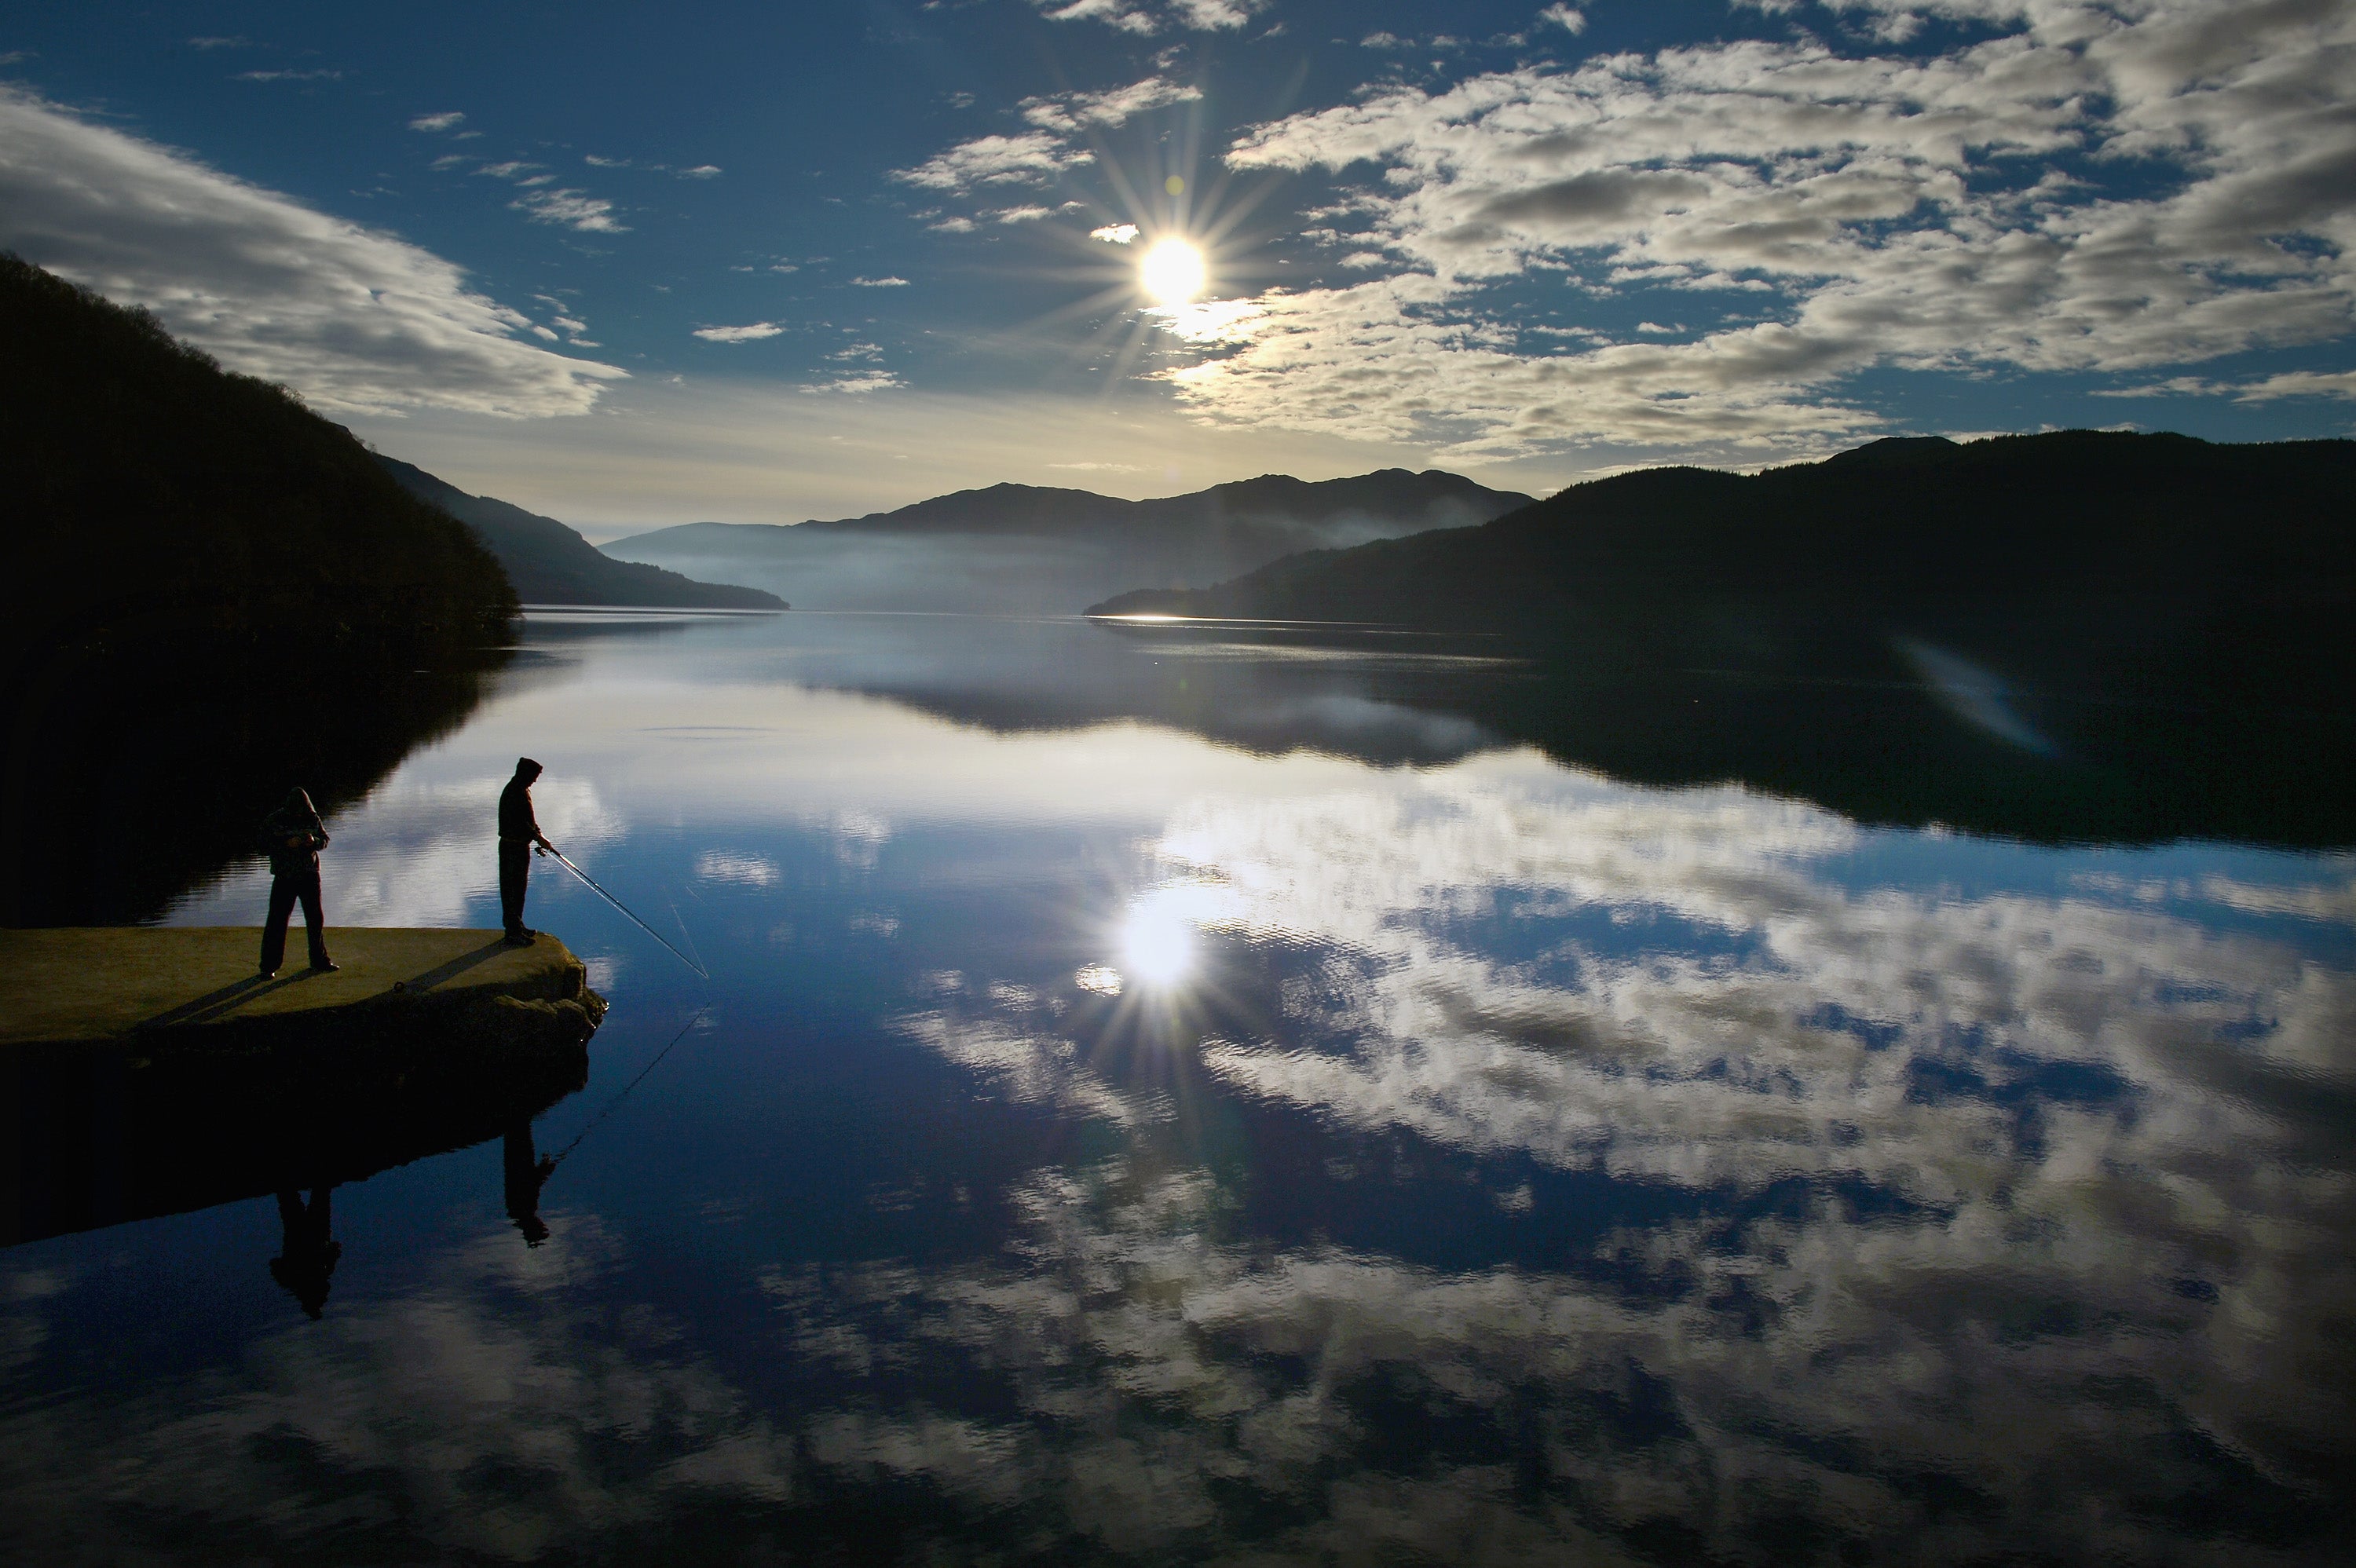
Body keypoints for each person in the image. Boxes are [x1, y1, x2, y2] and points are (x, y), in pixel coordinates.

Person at [258, 787, 337, 978]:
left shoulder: (312, 818)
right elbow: (262, 845)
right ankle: (268, 966)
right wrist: (285, 844)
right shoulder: (275, 820)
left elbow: (325, 839)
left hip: (309, 875)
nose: (302, 812)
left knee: (315, 918)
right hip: (285, 877)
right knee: (277, 920)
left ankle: (319, 960)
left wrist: (314, 841)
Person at [498, 756, 556, 945]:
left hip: (520, 846)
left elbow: (529, 820)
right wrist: (538, 838)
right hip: (511, 847)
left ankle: (517, 925)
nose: (535, 780)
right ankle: (512, 933)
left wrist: (538, 834)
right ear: (525, 774)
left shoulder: (522, 790)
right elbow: (520, 823)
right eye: (534, 776)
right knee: (511, 890)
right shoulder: (514, 792)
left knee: (519, 889)